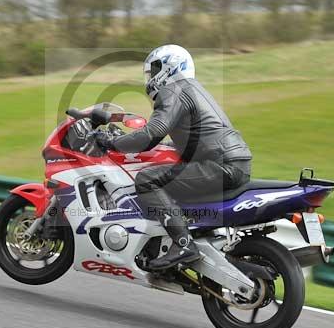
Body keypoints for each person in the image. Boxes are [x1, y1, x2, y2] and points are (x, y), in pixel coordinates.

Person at [95, 45, 252, 270]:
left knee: (147, 180)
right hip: (233, 162)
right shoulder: (192, 88)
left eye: (154, 69)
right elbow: (196, 136)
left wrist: (111, 143)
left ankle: (183, 244)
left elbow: (152, 133)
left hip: (219, 164)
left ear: (169, 67)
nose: (150, 77)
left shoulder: (173, 90)